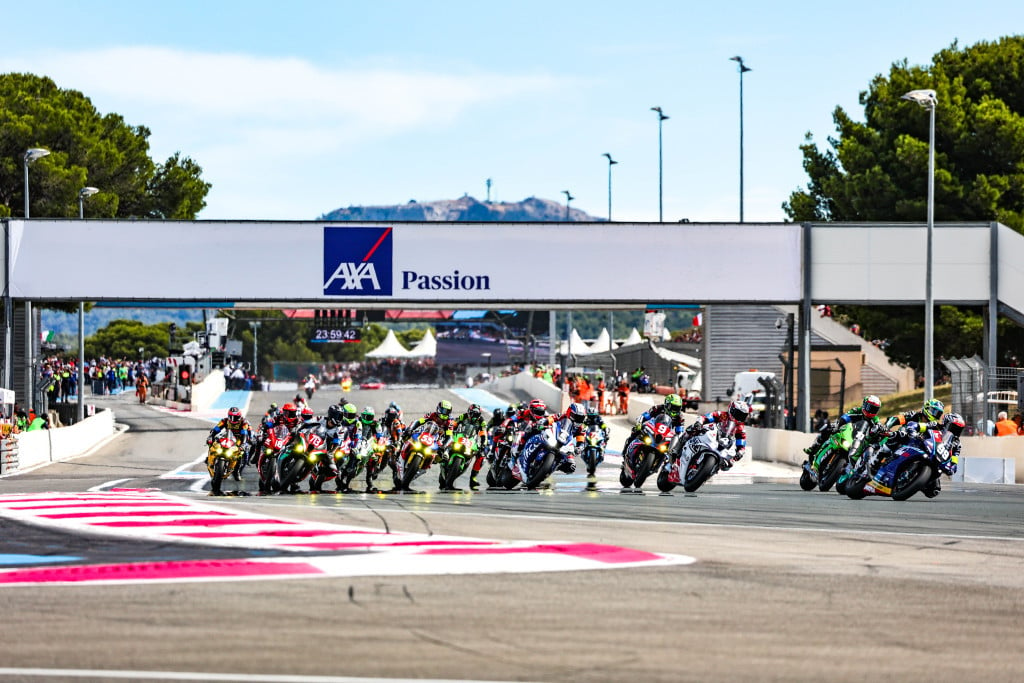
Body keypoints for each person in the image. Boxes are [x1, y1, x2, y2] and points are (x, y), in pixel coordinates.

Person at [674, 400, 750, 479]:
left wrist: (740, 452)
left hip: (724, 443)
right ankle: (676, 449)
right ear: (732, 410)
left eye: (742, 416)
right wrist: (699, 423)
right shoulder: (722, 415)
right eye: (738, 414)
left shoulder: (740, 428)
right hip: (711, 433)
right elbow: (707, 417)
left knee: (728, 465)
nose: (739, 417)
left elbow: (741, 443)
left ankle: (707, 473)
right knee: (691, 429)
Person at [804, 395, 882, 458]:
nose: (871, 411)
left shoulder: (875, 419)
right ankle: (814, 448)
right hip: (846, 431)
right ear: (864, 404)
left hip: (858, 440)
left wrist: (880, 430)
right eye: (869, 407)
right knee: (827, 428)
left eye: (874, 409)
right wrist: (837, 425)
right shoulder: (856, 410)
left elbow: (879, 426)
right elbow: (845, 417)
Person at [452, 404, 487, 489]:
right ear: (469, 412)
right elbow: (453, 425)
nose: (474, 417)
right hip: (459, 437)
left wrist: (483, 444)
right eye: (472, 414)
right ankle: (443, 460)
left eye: (476, 415)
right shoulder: (463, 416)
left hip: (471, 441)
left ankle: (473, 478)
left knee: (482, 456)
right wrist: (450, 432)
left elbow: (483, 434)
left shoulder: (482, 421)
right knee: (446, 446)